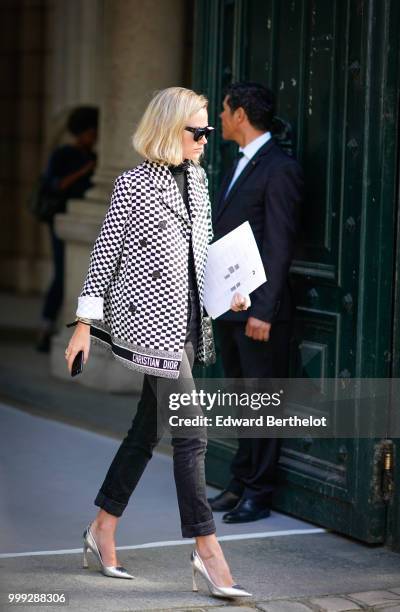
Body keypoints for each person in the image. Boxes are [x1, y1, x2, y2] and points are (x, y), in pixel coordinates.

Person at [64, 87, 251, 599]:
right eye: (197, 130)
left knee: (146, 434)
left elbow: (204, 253)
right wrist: (83, 324)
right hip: (152, 329)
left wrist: (229, 293)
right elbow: (103, 258)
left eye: (209, 130)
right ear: (169, 129)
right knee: (193, 435)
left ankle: (101, 526)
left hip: (192, 326)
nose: (205, 140)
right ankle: (207, 552)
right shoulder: (132, 185)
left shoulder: (199, 180)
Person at [209, 82, 303, 523]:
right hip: (230, 305)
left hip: (259, 312)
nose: (220, 120)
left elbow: (279, 242)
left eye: (225, 111)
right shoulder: (237, 163)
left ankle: (259, 493)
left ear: (241, 114)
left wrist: (264, 310)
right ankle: (240, 480)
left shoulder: (279, 167)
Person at [36, 106, 98, 352]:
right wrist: (84, 171)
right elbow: (55, 185)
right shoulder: (64, 154)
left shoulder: (92, 155)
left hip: (81, 221)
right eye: (92, 131)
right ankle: (45, 326)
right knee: (62, 275)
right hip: (61, 220)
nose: (95, 136)